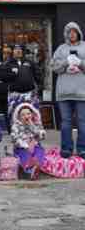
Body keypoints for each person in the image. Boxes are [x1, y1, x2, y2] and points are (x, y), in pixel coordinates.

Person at [51, 22, 85, 159]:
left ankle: (82, 149)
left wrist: (80, 62)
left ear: (78, 32)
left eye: (74, 31)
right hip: (64, 92)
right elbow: (54, 67)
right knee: (65, 123)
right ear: (66, 33)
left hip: (82, 92)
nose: (72, 34)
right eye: (69, 31)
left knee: (83, 123)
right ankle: (66, 149)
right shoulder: (61, 49)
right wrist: (66, 61)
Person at [11, 103, 46, 180]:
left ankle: (36, 165)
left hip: (35, 146)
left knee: (40, 152)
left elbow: (41, 136)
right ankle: (30, 171)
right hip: (22, 148)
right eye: (23, 115)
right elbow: (15, 139)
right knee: (25, 156)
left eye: (28, 114)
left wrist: (32, 126)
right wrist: (26, 146)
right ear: (19, 117)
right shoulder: (16, 126)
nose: (26, 116)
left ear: (32, 114)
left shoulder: (36, 123)